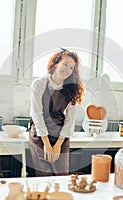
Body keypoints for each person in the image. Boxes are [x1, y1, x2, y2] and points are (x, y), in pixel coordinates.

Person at [29, 48, 84, 176]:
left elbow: (70, 119)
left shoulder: (72, 88)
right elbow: (37, 115)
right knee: (44, 175)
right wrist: (47, 144)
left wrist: (58, 144)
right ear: (55, 63)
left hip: (60, 132)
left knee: (62, 174)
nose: (68, 70)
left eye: (71, 68)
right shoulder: (39, 84)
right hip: (40, 131)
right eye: (65, 64)